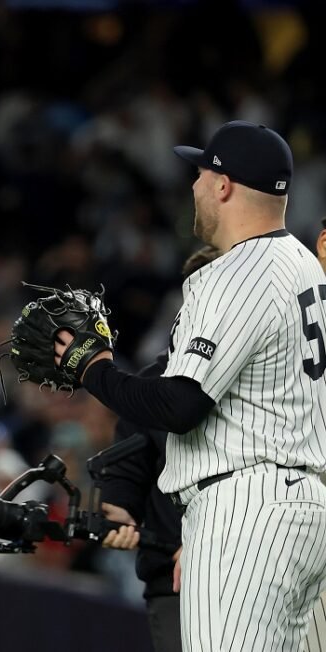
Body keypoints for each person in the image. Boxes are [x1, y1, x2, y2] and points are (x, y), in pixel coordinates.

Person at [56, 121, 326, 651]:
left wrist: (94, 370)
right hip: (308, 508)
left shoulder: (240, 271)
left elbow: (180, 405)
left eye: (200, 173)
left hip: (247, 509)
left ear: (223, 185)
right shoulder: (305, 268)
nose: (194, 186)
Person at [98, 245, 219, 652]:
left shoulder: (273, 382)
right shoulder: (154, 382)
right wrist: (119, 509)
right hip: (174, 583)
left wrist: (209, 543)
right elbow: (127, 464)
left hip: (258, 569)